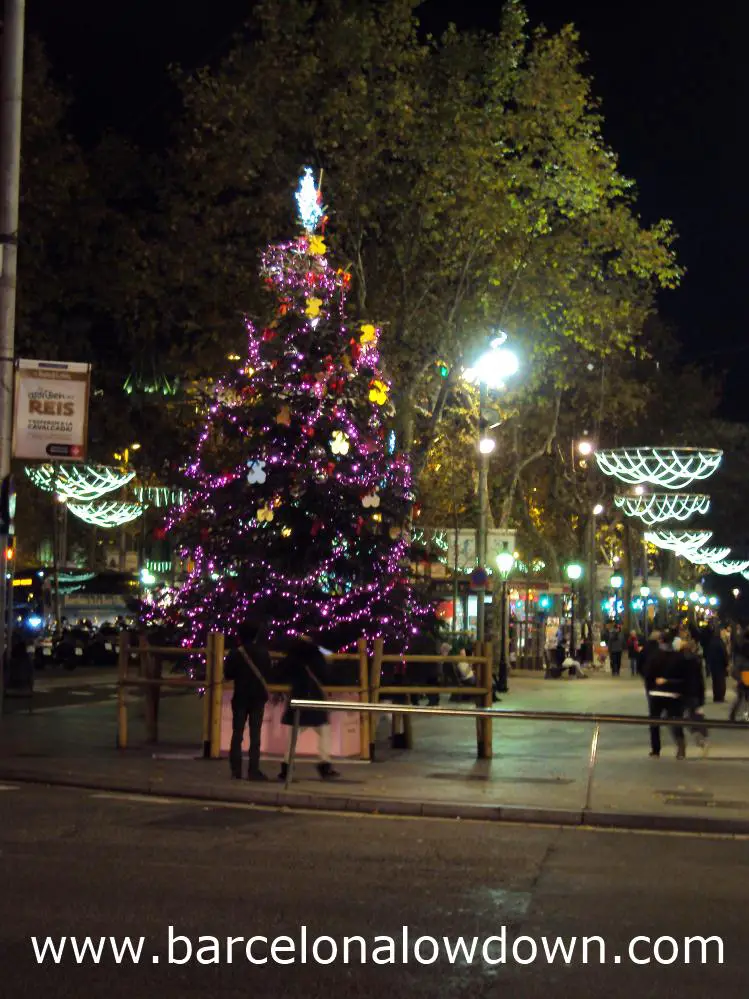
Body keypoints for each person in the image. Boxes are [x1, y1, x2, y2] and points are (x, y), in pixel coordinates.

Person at [279, 635, 340, 782]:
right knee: (324, 732)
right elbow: (325, 676)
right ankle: (324, 765)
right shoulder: (315, 655)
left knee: (293, 737)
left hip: (297, 697)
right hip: (314, 699)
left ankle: (287, 767)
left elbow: (280, 673)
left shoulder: (292, 656)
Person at [224, 621, 271, 781]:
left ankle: (236, 769)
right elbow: (268, 672)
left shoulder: (236, 653)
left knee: (237, 733)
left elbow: (228, 674)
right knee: (255, 734)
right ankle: (254, 769)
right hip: (258, 697)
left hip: (241, 696)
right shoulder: (263, 652)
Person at [643, 630, 687, 759]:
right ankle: (680, 745)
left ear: (660, 641)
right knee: (675, 721)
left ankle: (656, 749)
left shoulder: (654, 656)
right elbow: (684, 675)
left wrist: (650, 688)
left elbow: (648, 674)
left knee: (654, 722)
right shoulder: (678, 657)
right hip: (673, 693)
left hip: (657, 692)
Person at [679, 634, 708, 753]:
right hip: (694, 692)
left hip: (685, 692)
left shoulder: (681, 661)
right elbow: (700, 680)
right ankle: (701, 737)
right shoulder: (696, 661)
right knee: (695, 715)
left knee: (689, 716)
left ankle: (700, 737)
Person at [705, 624, 729, 703]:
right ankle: (720, 696)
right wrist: (726, 663)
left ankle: (716, 696)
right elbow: (724, 654)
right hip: (720, 665)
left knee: (715, 681)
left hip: (713, 665)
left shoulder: (711, 642)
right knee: (721, 681)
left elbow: (709, 654)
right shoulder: (720, 643)